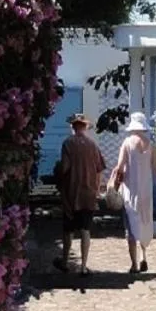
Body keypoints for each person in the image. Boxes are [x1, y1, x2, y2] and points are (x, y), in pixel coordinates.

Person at [109, 111, 156, 275]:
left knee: (131, 227)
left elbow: (120, 167)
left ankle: (134, 264)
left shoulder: (127, 143)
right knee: (144, 222)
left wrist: (113, 181)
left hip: (130, 191)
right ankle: (144, 257)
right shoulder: (151, 145)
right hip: (146, 192)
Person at [54, 113, 105, 276]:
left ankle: (65, 262)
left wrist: (58, 175)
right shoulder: (92, 145)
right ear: (85, 127)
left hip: (72, 191)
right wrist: (96, 189)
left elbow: (65, 168)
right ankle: (83, 266)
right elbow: (99, 170)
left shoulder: (68, 144)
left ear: (73, 127)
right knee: (85, 229)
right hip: (88, 193)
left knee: (68, 229)